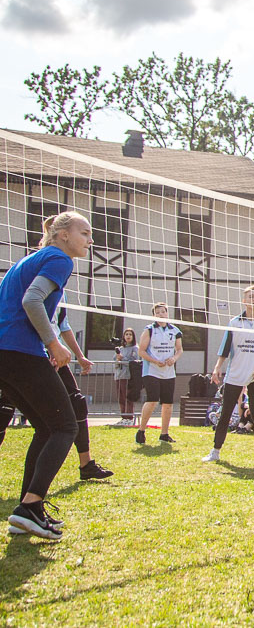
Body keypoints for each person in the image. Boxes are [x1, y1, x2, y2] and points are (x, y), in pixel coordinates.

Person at [0, 211, 91, 540]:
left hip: (7, 354)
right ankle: (30, 506)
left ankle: (29, 510)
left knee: (45, 426)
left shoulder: (32, 258)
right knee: (66, 426)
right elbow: (32, 300)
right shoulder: (59, 258)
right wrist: (53, 344)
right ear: (64, 234)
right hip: (20, 350)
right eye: (85, 233)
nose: (90, 240)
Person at [202, 285, 254, 464]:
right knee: (226, 412)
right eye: (251, 296)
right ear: (244, 301)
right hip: (235, 374)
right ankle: (215, 451)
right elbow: (225, 349)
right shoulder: (235, 322)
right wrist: (217, 367)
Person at [50, 306, 114, 480]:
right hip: (30, 352)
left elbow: (63, 327)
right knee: (7, 409)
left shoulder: (61, 293)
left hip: (55, 355)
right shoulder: (30, 285)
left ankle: (86, 464)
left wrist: (79, 356)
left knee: (78, 403)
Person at [136, 303, 183, 445]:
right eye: (158, 312)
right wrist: (155, 361)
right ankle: (141, 431)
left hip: (168, 372)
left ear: (167, 314)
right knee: (152, 400)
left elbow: (180, 349)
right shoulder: (149, 330)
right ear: (154, 315)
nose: (161, 314)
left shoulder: (175, 330)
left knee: (168, 403)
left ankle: (164, 434)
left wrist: (174, 358)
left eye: (163, 312)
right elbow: (141, 351)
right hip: (152, 370)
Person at [113, 328, 139, 426]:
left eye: (130, 334)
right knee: (121, 397)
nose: (128, 336)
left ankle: (129, 417)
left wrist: (122, 358)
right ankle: (123, 417)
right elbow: (115, 360)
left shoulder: (135, 348)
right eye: (126, 334)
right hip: (119, 375)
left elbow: (134, 361)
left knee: (128, 397)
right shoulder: (120, 348)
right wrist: (117, 358)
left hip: (128, 375)